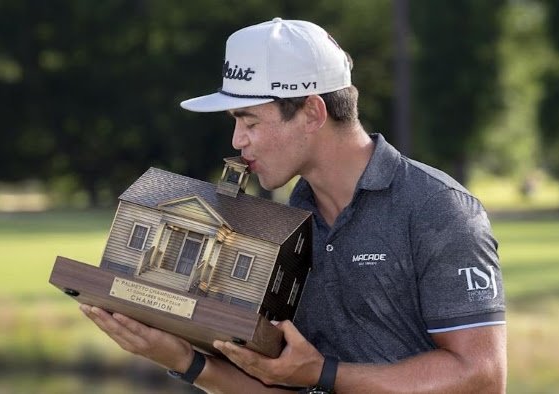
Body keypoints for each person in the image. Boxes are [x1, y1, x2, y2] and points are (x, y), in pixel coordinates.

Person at [81, 17, 507, 393]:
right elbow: (287, 381)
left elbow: (482, 378)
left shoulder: (437, 209)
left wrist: (325, 374)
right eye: (236, 123)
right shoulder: (289, 222)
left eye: (250, 121)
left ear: (312, 113)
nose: (237, 141)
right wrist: (183, 360)